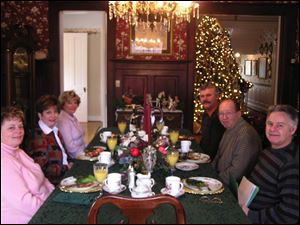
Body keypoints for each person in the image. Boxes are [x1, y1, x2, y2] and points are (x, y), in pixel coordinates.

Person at [241, 105, 299, 224]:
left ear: (292, 130)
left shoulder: (291, 164)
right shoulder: (267, 151)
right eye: (270, 123)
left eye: (280, 125)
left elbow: (289, 214)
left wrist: (251, 215)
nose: (272, 129)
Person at [1, 106, 54, 224]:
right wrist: (51, 210)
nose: (18, 131)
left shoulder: (18, 151)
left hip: (45, 206)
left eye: (20, 126)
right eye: (11, 128)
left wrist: (54, 196)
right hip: (30, 218)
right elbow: (24, 203)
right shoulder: (3, 162)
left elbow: (43, 180)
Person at [212, 99, 262, 185]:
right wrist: (210, 173)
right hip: (220, 179)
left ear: (238, 114)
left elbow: (236, 172)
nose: (224, 117)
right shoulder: (230, 127)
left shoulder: (245, 135)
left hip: (233, 189)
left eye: (228, 113)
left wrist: (214, 181)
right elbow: (218, 156)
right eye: (221, 113)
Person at [27, 95, 72, 185]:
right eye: (48, 112)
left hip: (66, 175)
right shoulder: (38, 138)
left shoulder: (54, 130)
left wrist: (71, 162)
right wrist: (67, 168)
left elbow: (65, 154)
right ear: (40, 115)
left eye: (55, 112)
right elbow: (43, 169)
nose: (53, 116)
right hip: (54, 183)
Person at [198, 83, 225, 160]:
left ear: (217, 96)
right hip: (204, 157)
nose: (205, 99)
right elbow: (204, 141)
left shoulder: (223, 116)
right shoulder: (205, 115)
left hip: (216, 161)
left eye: (208, 95)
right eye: (202, 96)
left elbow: (217, 148)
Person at [57, 90, 85, 159]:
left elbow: (81, 140)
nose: (73, 106)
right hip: (74, 157)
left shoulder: (71, 116)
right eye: (69, 103)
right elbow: (70, 149)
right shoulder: (63, 120)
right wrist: (87, 154)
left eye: (75, 103)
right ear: (63, 104)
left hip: (82, 151)